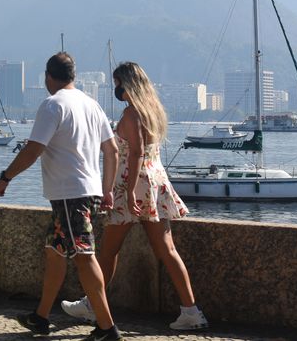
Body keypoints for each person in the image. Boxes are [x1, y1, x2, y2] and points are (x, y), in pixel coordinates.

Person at [60, 61, 209, 331]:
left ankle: (93, 306)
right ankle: (192, 311)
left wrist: (128, 194)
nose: (115, 89)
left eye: (117, 83)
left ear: (126, 85)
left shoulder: (130, 114)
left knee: (108, 251)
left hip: (132, 185)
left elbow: (136, 152)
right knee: (168, 250)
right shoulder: (152, 112)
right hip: (154, 182)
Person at [0, 52, 121, 341]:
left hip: (69, 194)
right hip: (87, 191)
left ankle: (107, 327)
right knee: (55, 252)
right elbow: (112, 151)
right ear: (72, 76)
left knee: (84, 256)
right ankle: (40, 317)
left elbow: (32, 149)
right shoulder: (92, 104)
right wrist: (108, 189)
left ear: (49, 77)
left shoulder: (53, 105)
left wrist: (5, 178)